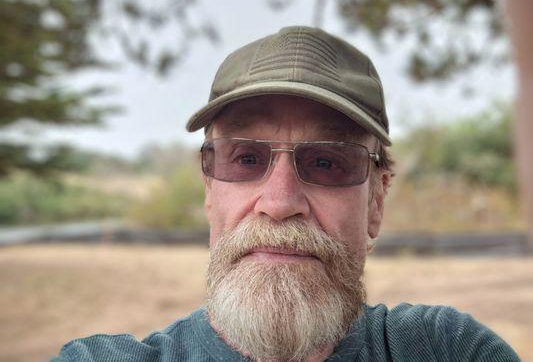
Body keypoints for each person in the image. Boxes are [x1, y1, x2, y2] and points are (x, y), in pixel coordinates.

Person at [53, 26, 520, 361]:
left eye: (327, 162)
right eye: (246, 159)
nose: (278, 204)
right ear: (209, 191)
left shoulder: (445, 348)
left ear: (376, 202)